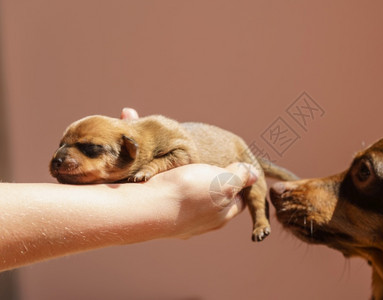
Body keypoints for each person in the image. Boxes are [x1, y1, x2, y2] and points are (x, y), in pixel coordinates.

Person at [0, 108, 259, 272]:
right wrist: (156, 205)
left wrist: (154, 176)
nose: (59, 158)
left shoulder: (162, 137)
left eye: (90, 149)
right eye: (62, 146)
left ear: (129, 150)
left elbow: (183, 151)